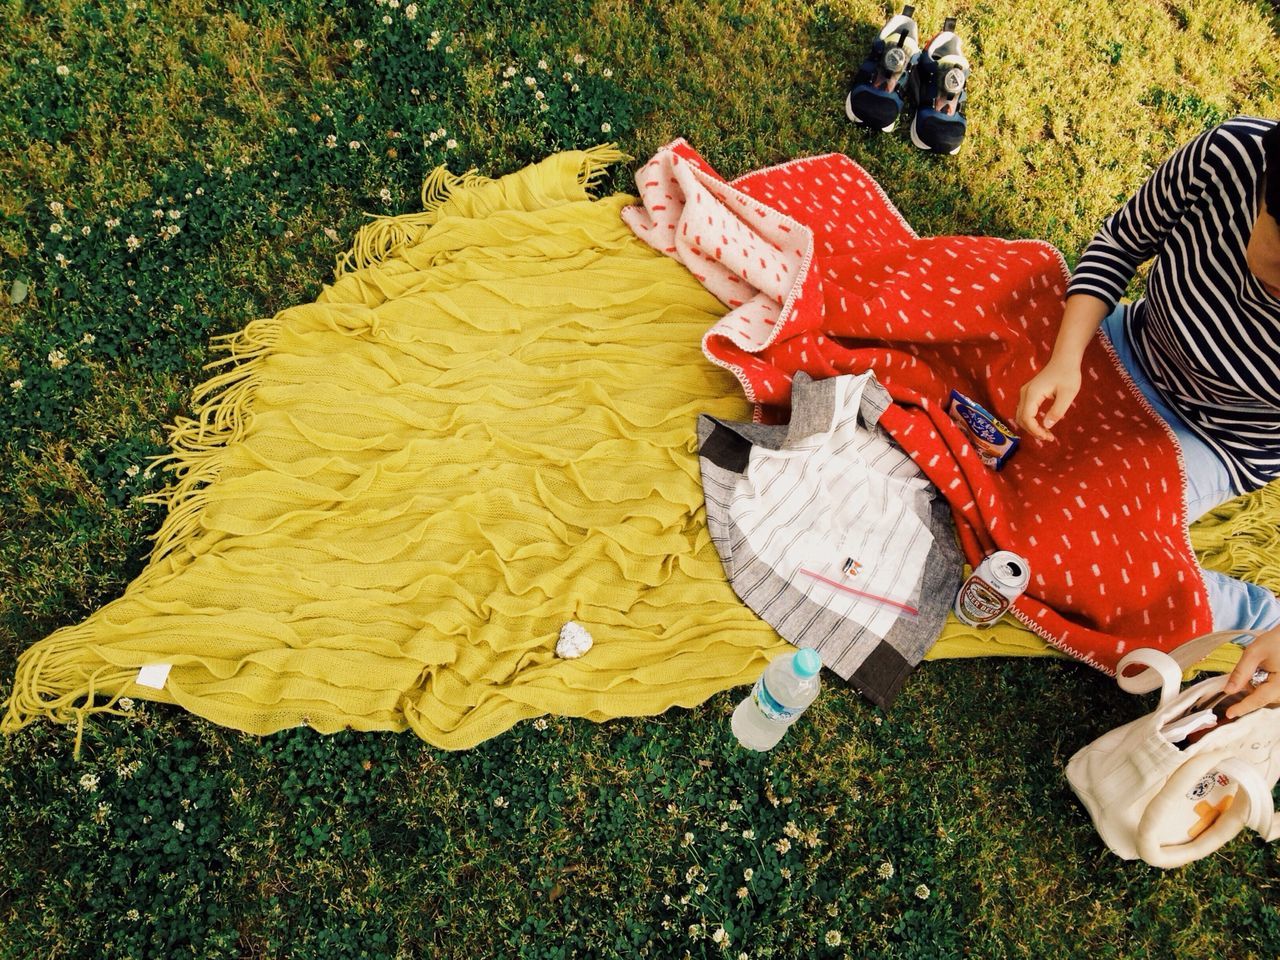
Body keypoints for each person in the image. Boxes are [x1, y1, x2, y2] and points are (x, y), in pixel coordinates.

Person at [1015, 117, 1280, 717]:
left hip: (1209, 438)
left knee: (1071, 539)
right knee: (977, 319)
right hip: (1122, 343)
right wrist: (1066, 358)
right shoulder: (1229, 154)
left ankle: (1256, 617)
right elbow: (1120, 243)